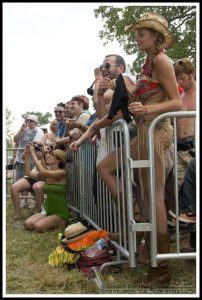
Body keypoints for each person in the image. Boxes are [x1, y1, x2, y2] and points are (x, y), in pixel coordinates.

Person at [87, 12, 182, 285]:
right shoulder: (148, 63)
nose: (137, 37)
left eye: (141, 33)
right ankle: (140, 234)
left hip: (157, 132)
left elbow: (176, 103)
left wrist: (148, 108)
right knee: (109, 170)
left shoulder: (162, 60)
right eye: (136, 33)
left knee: (154, 196)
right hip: (142, 133)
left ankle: (160, 268)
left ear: (155, 36)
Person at [24, 145, 69, 232]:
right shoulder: (49, 172)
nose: (48, 155)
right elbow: (28, 173)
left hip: (59, 211)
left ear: (59, 160)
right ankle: (50, 222)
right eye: (48, 154)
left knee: (38, 227)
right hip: (48, 208)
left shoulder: (62, 172)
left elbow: (43, 172)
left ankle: (62, 221)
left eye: (52, 155)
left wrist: (33, 154)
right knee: (28, 225)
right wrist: (27, 156)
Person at [173, 58, 196, 188]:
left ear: (192, 74)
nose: (179, 82)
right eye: (177, 78)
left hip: (194, 147)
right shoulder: (178, 98)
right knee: (182, 193)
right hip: (178, 150)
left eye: (182, 78)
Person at [13, 114, 44, 208]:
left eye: (31, 121)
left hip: (31, 160)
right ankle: (24, 200)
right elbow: (15, 140)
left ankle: (34, 200)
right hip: (20, 159)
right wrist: (21, 130)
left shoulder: (39, 130)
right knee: (21, 180)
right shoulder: (24, 129)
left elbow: (34, 143)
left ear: (36, 123)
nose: (29, 122)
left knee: (31, 180)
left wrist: (26, 153)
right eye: (27, 120)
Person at [10, 148, 46, 220]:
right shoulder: (39, 154)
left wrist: (36, 155)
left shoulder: (50, 156)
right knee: (14, 187)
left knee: (37, 186)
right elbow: (28, 173)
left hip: (41, 178)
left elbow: (42, 174)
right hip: (31, 176)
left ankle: (40, 211)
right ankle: (17, 214)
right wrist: (27, 155)